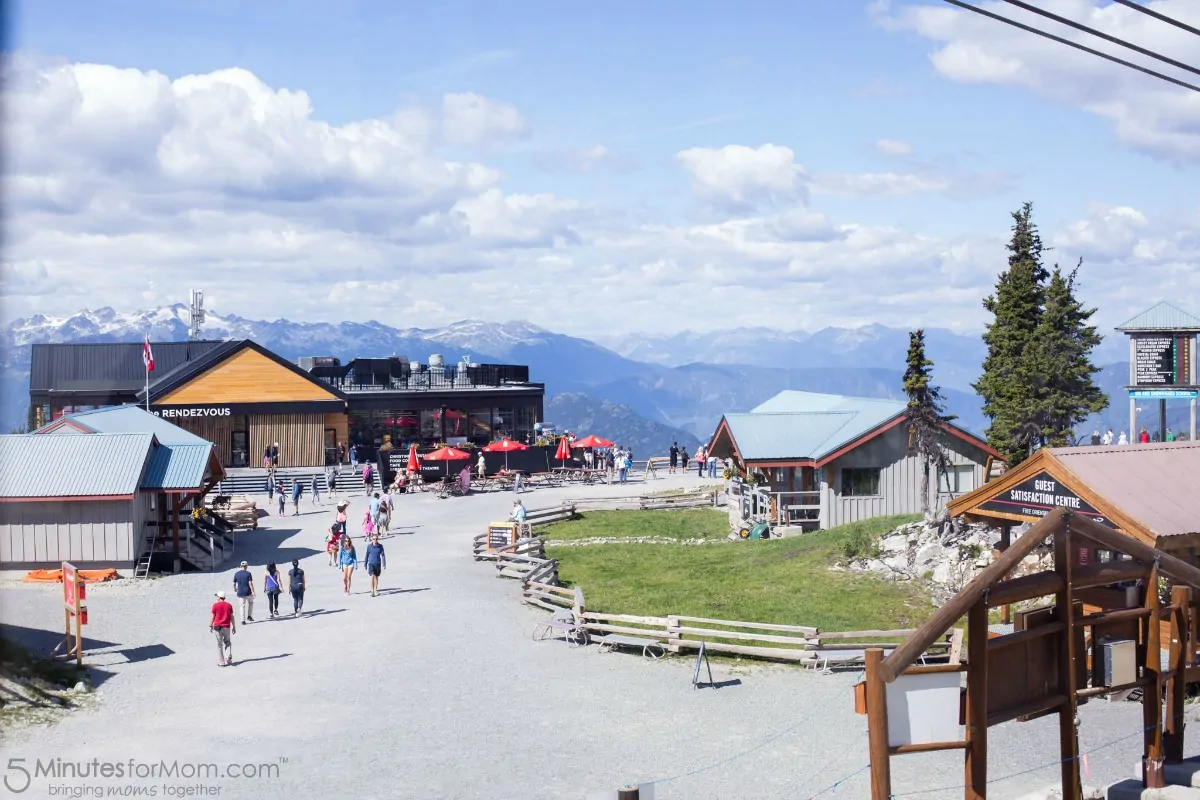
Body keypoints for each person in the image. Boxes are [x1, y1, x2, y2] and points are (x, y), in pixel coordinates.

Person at [210, 590, 236, 667]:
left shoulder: (215, 605)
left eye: (217, 596)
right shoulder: (229, 605)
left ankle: (221, 662)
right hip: (227, 626)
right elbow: (232, 617)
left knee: (219, 644)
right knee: (227, 642)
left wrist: (210, 625)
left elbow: (213, 617)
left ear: (219, 597)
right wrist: (234, 626)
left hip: (218, 627)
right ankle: (228, 657)